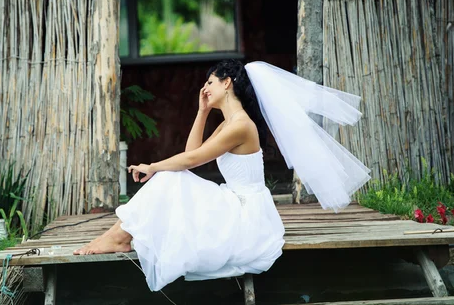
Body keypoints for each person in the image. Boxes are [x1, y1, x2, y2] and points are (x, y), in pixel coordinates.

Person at [73, 59, 370, 292]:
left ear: (227, 83)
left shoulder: (241, 125)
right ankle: (118, 236)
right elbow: (192, 155)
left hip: (246, 215)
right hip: (232, 200)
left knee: (166, 177)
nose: (205, 87)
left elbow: (190, 159)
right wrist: (202, 112)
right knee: (171, 178)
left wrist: (152, 167)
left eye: (210, 81)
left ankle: (117, 237)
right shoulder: (229, 123)